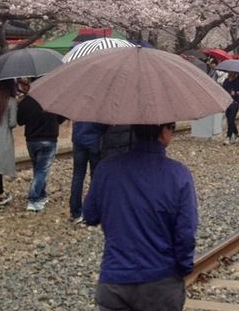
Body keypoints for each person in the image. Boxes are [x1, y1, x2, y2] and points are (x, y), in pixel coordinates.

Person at [83, 123, 197, 310]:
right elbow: (186, 233)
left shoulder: (106, 169)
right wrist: (183, 268)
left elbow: (90, 214)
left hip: (114, 280)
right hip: (161, 282)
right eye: (172, 128)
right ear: (164, 132)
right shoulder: (178, 174)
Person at [16, 77, 66, 212]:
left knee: (37, 169)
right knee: (42, 170)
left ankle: (41, 195)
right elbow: (62, 117)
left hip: (32, 140)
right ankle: (33, 199)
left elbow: (20, 121)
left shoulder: (27, 100)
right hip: (49, 139)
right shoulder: (53, 98)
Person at [69, 121, 106, 223]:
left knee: (77, 176)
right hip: (95, 141)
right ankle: (93, 209)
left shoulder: (79, 106)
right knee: (95, 177)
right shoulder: (98, 106)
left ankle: (75, 211)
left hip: (78, 140)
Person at [0, 79, 17, 206]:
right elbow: (12, 123)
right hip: (2, 137)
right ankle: (0, 194)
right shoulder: (11, 101)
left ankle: (0, 192)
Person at [222, 72, 239, 144]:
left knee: (231, 119)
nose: (231, 73)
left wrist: (235, 93)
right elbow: (223, 90)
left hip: (235, 102)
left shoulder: (238, 82)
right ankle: (237, 135)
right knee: (229, 120)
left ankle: (228, 137)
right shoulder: (226, 81)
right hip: (227, 102)